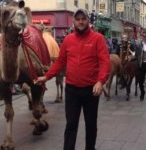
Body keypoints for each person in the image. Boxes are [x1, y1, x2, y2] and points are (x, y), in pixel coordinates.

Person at [35, 8, 110, 150]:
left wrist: (100, 81)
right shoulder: (68, 40)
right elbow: (60, 62)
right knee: (71, 125)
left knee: (91, 125)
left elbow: (105, 62)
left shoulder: (98, 39)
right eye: (78, 19)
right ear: (74, 21)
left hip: (91, 91)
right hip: (72, 90)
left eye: (83, 19)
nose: (81, 22)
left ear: (88, 20)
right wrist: (46, 77)